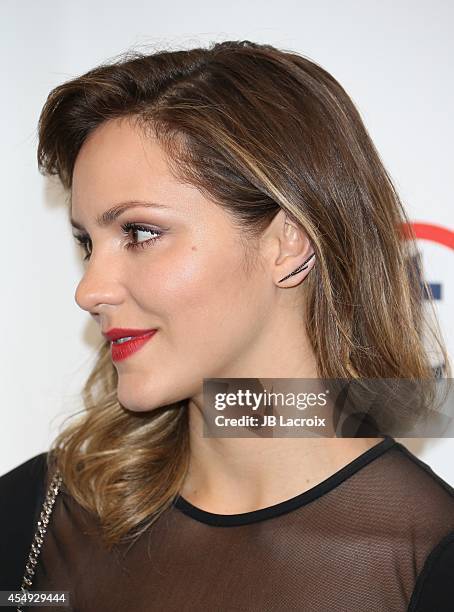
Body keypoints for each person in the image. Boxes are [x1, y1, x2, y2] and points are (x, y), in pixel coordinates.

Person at [1, 40, 453, 611]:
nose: (89, 289)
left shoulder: (424, 562)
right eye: (88, 243)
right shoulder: (38, 514)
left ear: (289, 243)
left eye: (140, 232)